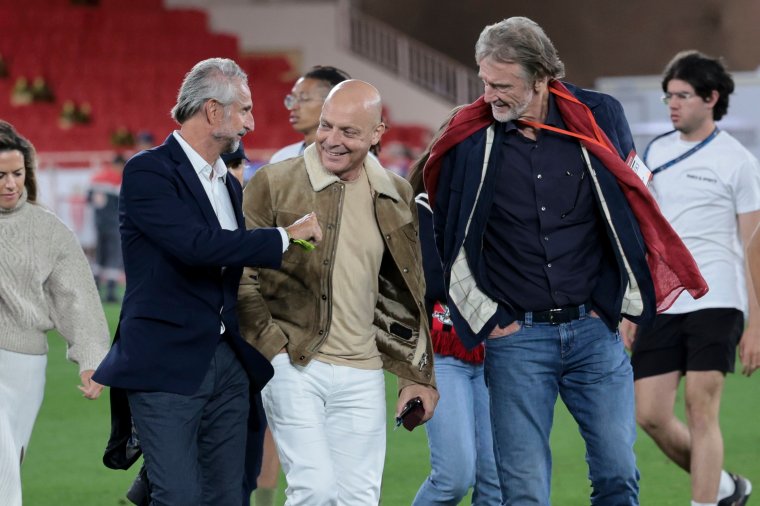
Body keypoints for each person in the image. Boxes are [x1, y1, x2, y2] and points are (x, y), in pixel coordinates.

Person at [424, 17, 708, 505]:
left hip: (594, 332)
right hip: (516, 340)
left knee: (619, 474)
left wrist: (616, 304)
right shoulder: (468, 136)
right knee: (525, 494)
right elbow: (444, 236)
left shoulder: (600, 114)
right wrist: (492, 320)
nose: (488, 95)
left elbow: (634, 206)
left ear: (541, 78)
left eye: (502, 85)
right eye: (484, 81)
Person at [92, 57, 321, 506]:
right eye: (245, 111)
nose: (252, 123)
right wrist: (283, 237)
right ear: (214, 112)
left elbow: (228, 262)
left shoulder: (229, 185)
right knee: (177, 496)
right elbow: (197, 246)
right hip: (165, 364)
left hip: (229, 363)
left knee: (228, 495)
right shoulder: (148, 172)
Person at [238, 79, 439, 505]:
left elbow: (405, 290)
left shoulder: (396, 194)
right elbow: (241, 276)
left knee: (359, 499)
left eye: (348, 132)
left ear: (377, 133)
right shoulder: (274, 183)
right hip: (294, 361)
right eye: (327, 126)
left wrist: (414, 374)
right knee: (314, 490)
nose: (331, 140)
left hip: (363, 370)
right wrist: (274, 348)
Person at [624, 50, 760, 506]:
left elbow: (752, 246)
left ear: (711, 98)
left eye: (683, 95)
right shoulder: (655, 152)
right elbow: (645, 233)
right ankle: (725, 488)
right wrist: (633, 304)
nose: (672, 104)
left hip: (719, 298)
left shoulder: (738, 161)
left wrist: (756, 322)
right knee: (651, 414)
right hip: (664, 302)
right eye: (669, 96)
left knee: (701, 411)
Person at [0, 120, 110, 506]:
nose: (11, 184)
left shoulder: (48, 229)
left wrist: (91, 358)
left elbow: (76, 295)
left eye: (16, 173)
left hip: (25, 366)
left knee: (11, 459)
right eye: (0, 175)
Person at [408, 108, 501, 505]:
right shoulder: (425, 203)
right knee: (453, 477)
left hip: (499, 350)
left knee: (497, 482)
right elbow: (433, 279)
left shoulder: (504, 199)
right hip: (445, 348)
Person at [269, 65, 351, 163]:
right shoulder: (282, 159)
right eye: (293, 99)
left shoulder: (357, 161)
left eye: (303, 99)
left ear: (332, 104)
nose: (294, 107)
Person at [87, 153, 125, 303]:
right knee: (114, 257)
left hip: (99, 223)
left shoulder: (97, 177)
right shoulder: (119, 179)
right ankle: (110, 292)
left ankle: (95, 289)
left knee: (100, 256)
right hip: (114, 223)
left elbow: (89, 198)